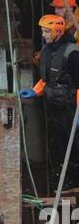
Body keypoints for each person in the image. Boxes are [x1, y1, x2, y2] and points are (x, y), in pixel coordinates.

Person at [21, 14, 79, 178]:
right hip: (54, 105)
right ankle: (61, 171)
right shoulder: (47, 49)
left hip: (70, 107)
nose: (43, 35)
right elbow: (48, 78)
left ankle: (73, 178)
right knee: (57, 140)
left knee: (73, 144)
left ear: (58, 31)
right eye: (43, 31)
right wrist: (35, 91)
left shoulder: (72, 53)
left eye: (47, 31)